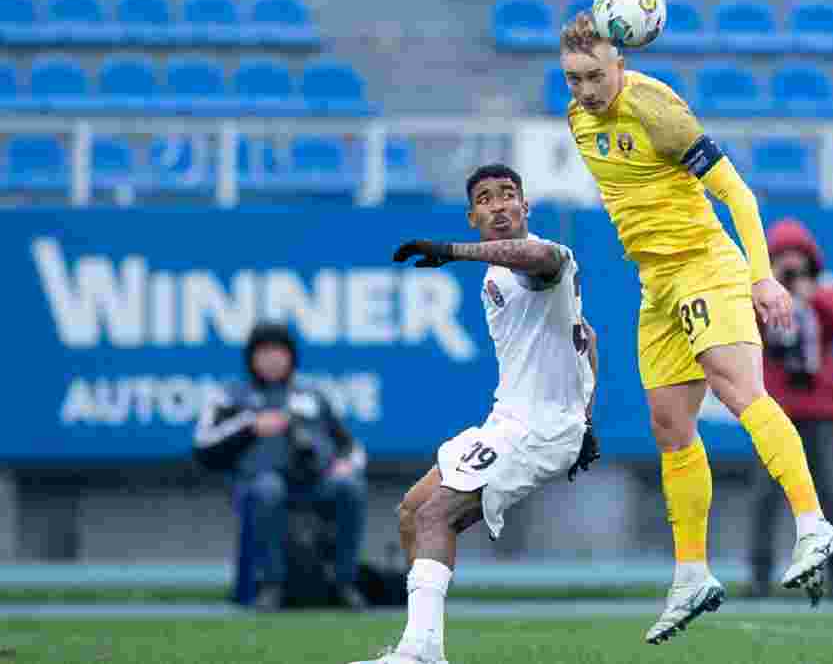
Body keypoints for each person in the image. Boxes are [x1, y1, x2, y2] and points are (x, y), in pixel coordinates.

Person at [559, 13, 833, 643]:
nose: (583, 88)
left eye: (594, 75)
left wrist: (762, 277)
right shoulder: (578, 119)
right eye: (573, 77)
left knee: (737, 387)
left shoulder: (657, 109)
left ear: (621, 65)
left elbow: (739, 196)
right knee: (669, 426)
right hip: (656, 283)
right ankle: (691, 573)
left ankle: (812, 524)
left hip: (706, 266)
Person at [346, 164, 600, 664]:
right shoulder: (496, 274)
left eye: (509, 195)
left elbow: (537, 256)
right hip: (511, 420)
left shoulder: (547, 259)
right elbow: (588, 336)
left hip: (539, 428)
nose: (500, 205)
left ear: (525, 208)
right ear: (472, 216)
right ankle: (421, 644)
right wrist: (587, 415)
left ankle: (419, 654)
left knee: (438, 513)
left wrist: (450, 250)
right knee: (413, 511)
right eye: (486, 199)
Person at [194, 322, 369, 612]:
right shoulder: (232, 396)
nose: (273, 359)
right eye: (264, 352)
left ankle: (343, 583)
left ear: (291, 356)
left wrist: (345, 465)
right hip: (258, 484)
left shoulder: (311, 396)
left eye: (279, 351)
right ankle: (270, 585)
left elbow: (351, 446)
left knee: (349, 488)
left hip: (313, 481)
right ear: (251, 357)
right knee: (268, 489)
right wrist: (251, 427)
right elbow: (203, 446)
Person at [750, 219, 833, 598]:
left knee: (830, 493)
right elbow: (745, 327)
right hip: (776, 411)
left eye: (797, 262)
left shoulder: (825, 290)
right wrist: (771, 285)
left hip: (821, 412)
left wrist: (810, 294)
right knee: (766, 495)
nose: (792, 269)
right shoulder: (759, 294)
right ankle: (759, 577)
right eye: (783, 261)